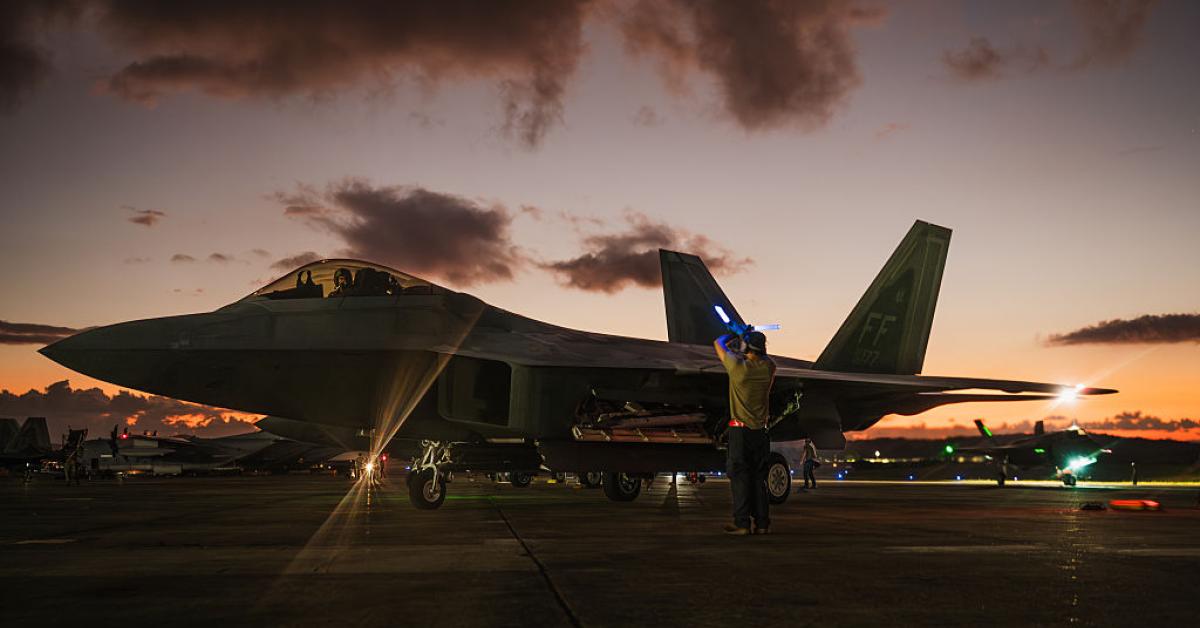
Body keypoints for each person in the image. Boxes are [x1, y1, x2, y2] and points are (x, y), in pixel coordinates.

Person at [714, 330, 776, 536]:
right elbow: (766, 358)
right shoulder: (769, 368)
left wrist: (736, 333)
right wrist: (748, 341)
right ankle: (762, 524)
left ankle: (742, 524)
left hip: (740, 432)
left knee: (740, 477)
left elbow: (718, 343)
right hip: (761, 432)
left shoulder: (738, 368)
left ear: (746, 347)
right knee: (759, 479)